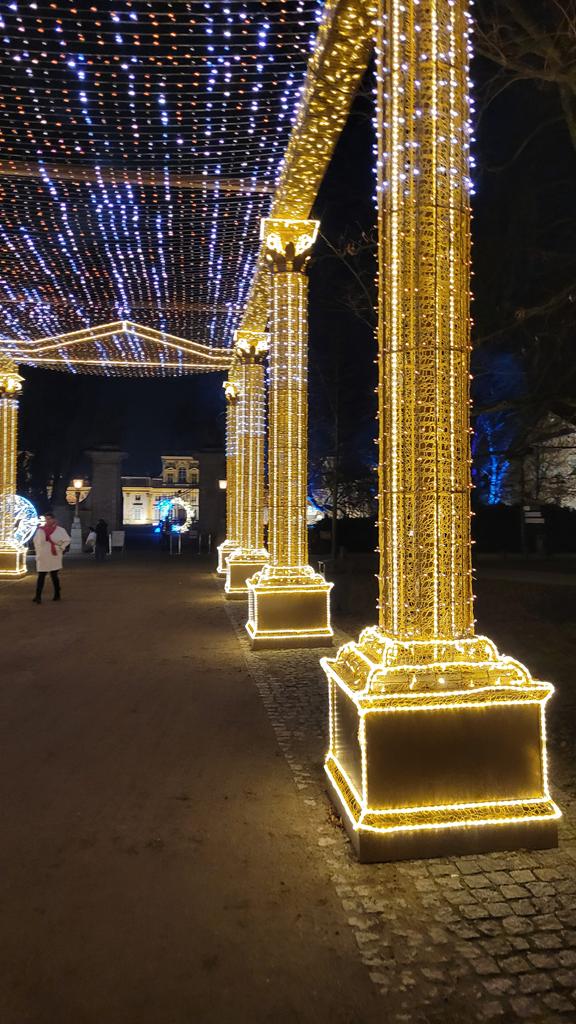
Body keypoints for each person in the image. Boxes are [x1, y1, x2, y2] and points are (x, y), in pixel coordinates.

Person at [32, 512, 71, 604]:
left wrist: (60, 547)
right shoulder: (40, 530)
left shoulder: (60, 530)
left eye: (49, 519)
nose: (47, 521)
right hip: (43, 555)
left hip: (54, 555)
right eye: (46, 519)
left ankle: (57, 593)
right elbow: (36, 542)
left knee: (54, 575)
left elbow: (67, 540)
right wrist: (38, 553)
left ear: (54, 519)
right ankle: (38, 596)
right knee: (41, 576)